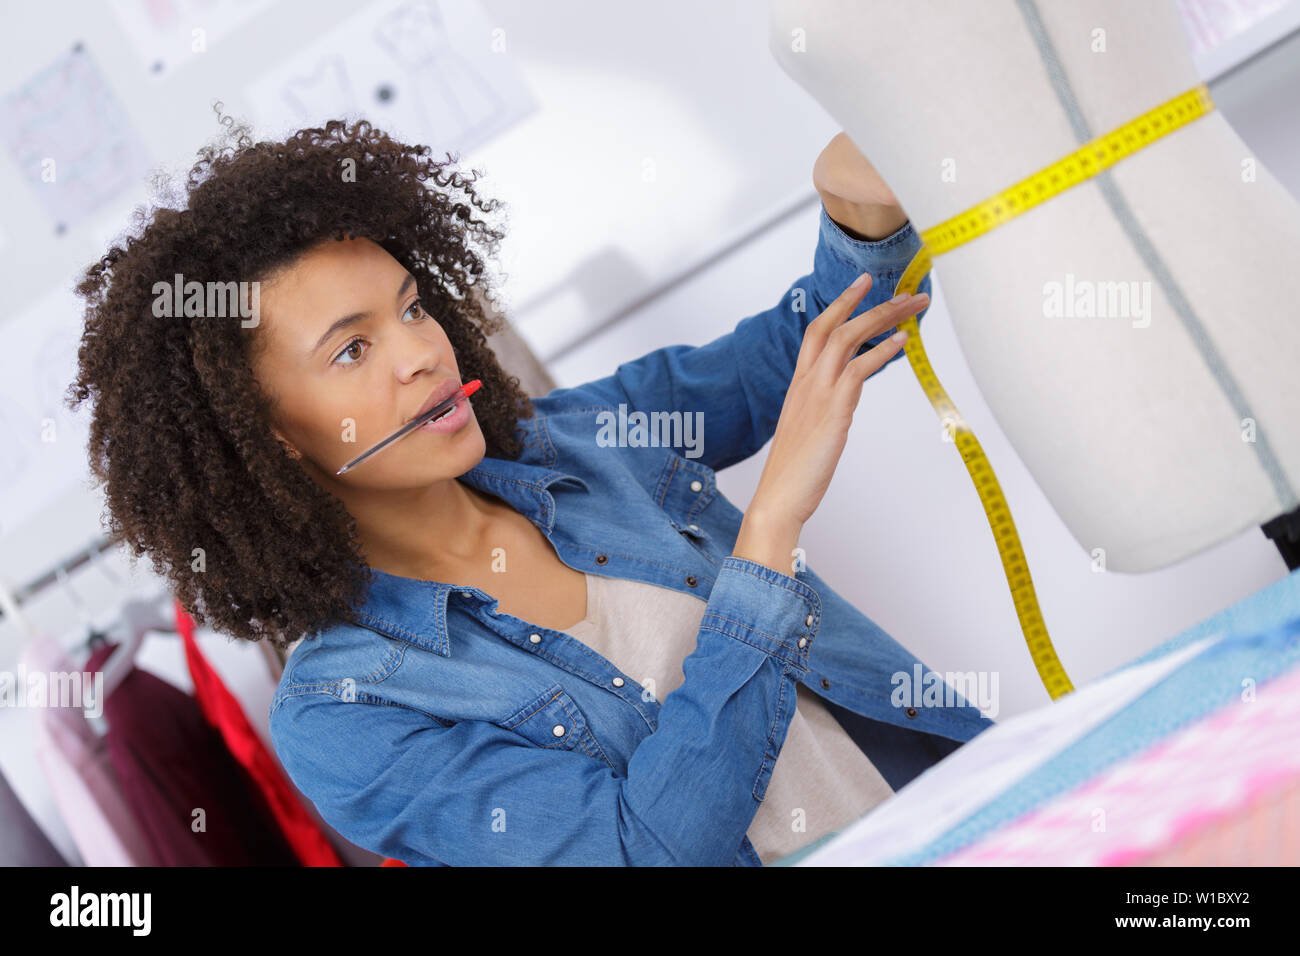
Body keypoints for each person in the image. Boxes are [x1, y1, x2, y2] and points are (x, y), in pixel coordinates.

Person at [70, 110, 992, 866]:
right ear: (267, 441)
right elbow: (644, 853)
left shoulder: (575, 439)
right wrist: (769, 536)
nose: (423, 353)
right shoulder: (345, 716)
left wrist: (858, 217)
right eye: (353, 348)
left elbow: (786, 361)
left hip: (979, 823)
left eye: (412, 307)